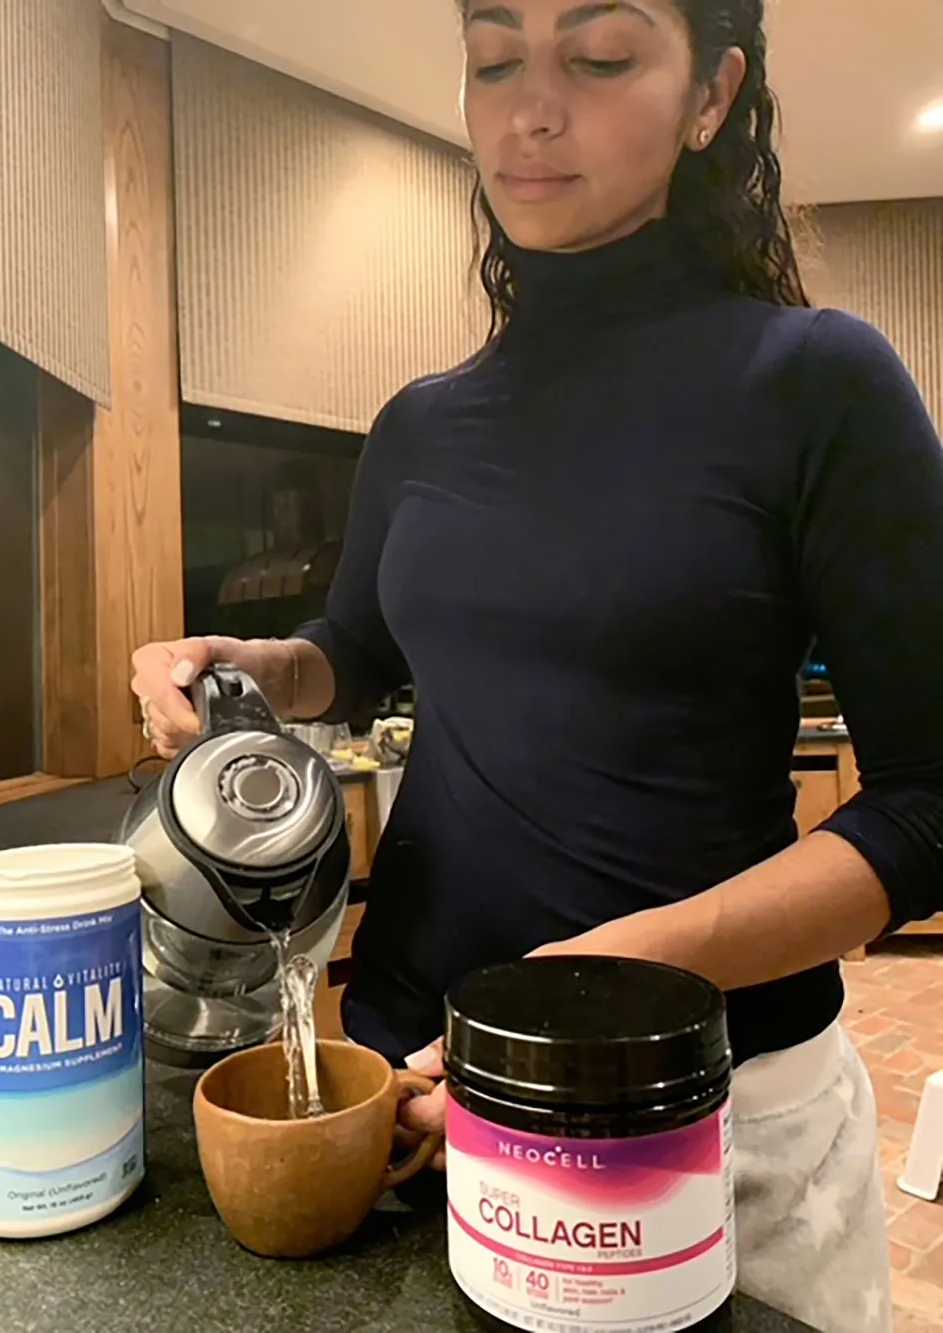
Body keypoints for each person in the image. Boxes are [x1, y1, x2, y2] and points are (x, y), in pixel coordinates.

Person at [132, 1, 943, 1328]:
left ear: (710, 94)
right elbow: (355, 652)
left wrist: (588, 993)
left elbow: (928, 803)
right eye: (494, 60)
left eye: (601, 57)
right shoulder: (421, 423)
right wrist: (252, 668)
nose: (530, 108)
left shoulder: (817, 384)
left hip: (697, 1108)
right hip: (410, 1075)